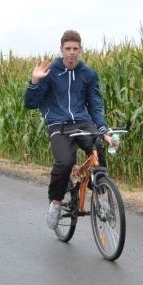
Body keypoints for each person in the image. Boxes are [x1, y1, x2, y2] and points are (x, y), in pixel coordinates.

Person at [23, 30, 112, 229]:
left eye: (75, 49)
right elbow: (30, 103)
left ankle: (102, 196)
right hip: (58, 124)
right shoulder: (50, 73)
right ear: (61, 49)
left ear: (81, 49)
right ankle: (56, 203)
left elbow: (95, 104)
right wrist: (35, 81)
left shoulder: (88, 74)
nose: (71, 52)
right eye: (68, 49)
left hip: (82, 121)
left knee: (97, 149)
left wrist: (103, 129)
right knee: (65, 162)